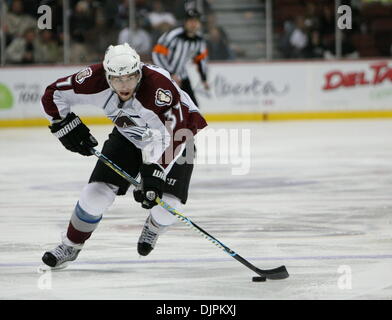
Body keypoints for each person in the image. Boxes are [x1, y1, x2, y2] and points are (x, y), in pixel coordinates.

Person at [40, 43, 207, 269]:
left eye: (130, 77)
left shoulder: (159, 89)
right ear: (107, 76)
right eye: (117, 79)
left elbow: (178, 133)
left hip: (175, 141)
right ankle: (71, 245)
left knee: (166, 208)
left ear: (139, 72)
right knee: (95, 194)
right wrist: (63, 123)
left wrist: (156, 171)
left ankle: (154, 227)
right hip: (128, 135)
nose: (124, 85)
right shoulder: (93, 79)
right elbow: (54, 93)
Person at [152, 9, 209, 107]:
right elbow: (157, 53)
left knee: (193, 107)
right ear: (185, 22)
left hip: (182, 76)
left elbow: (200, 60)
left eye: (196, 21)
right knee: (163, 106)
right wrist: (169, 73)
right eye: (190, 21)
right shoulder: (173, 35)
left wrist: (204, 79)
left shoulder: (199, 41)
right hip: (165, 76)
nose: (193, 24)